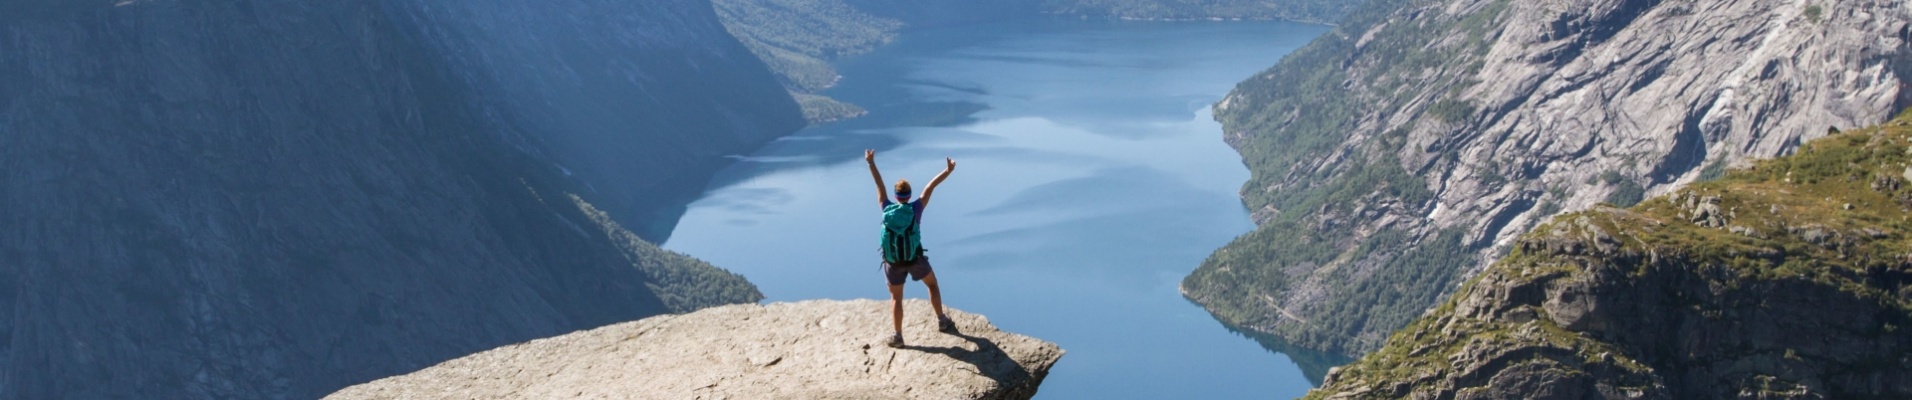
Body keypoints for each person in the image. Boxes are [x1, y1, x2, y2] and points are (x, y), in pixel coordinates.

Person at [864, 149, 957, 348]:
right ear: (909, 195)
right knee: (932, 285)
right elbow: (930, 187)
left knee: (896, 297)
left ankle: (897, 336)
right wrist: (947, 171)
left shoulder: (885, 206)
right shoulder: (916, 208)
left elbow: (879, 184)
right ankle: (942, 320)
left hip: (892, 261)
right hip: (915, 258)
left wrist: (871, 163)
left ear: (896, 196)